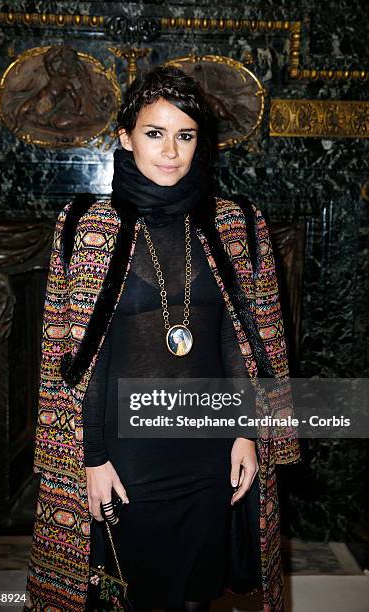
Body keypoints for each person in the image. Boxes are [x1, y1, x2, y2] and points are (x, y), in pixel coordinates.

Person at [25, 65, 300, 612]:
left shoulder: (237, 223)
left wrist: (247, 434)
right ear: (125, 139)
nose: (171, 150)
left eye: (185, 134)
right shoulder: (86, 225)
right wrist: (92, 457)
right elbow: (76, 358)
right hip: (126, 457)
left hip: (209, 450)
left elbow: (240, 343)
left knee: (198, 595)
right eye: (155, 133)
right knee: (131, 594)